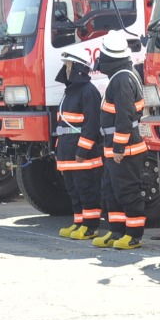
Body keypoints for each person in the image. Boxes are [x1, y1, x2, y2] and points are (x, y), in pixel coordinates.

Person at [93, 31, 152, 250]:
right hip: (115, 149)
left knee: (127, 192)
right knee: (111, 192)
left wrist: (118, 147)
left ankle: (134, 235)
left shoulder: (122, 79)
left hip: (125, 150)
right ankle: (116, 231)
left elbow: (125, 117)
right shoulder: (121, 75)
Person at [54, 49, 104, 239]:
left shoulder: (88, 91)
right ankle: (79, 223)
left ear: (78, 68)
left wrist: (83, 150)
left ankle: (90, 226)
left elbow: (91, 124)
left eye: (68, 66)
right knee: (74, 191)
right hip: (67, 151)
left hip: (81, 154)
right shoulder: (70, 91)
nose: (65, 69)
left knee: (87, 190)